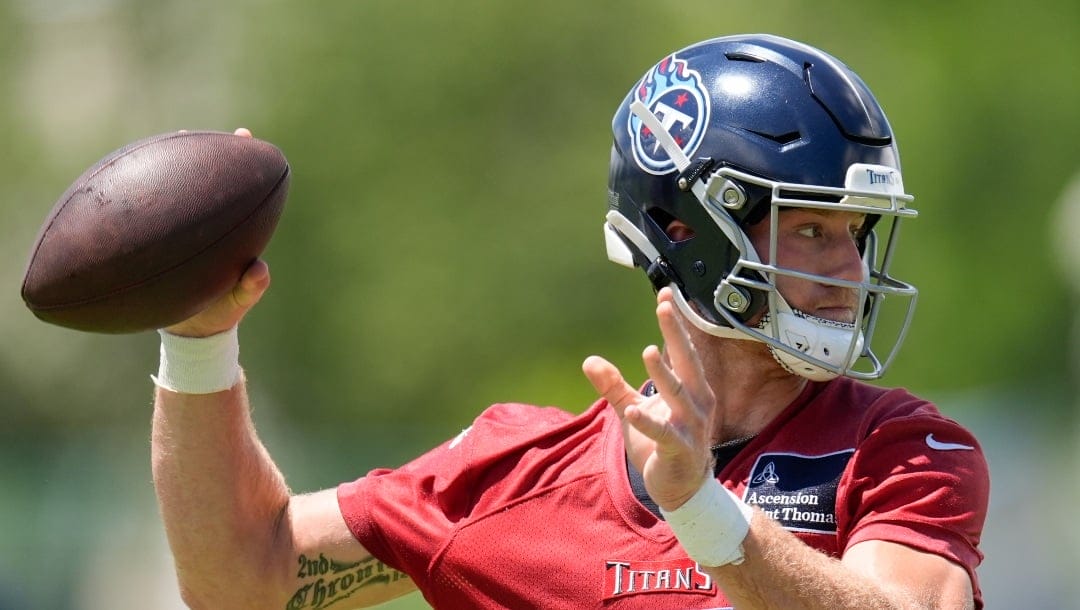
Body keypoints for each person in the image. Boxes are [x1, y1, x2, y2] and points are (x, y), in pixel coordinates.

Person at [151, 34, 988, 609]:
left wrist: (703, 511)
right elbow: (241, 577)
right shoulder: (512, 476)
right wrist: (197, 341)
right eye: (811, 230)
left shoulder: (904, 454)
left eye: (855, 234)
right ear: (686, 232)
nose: (848, 271)